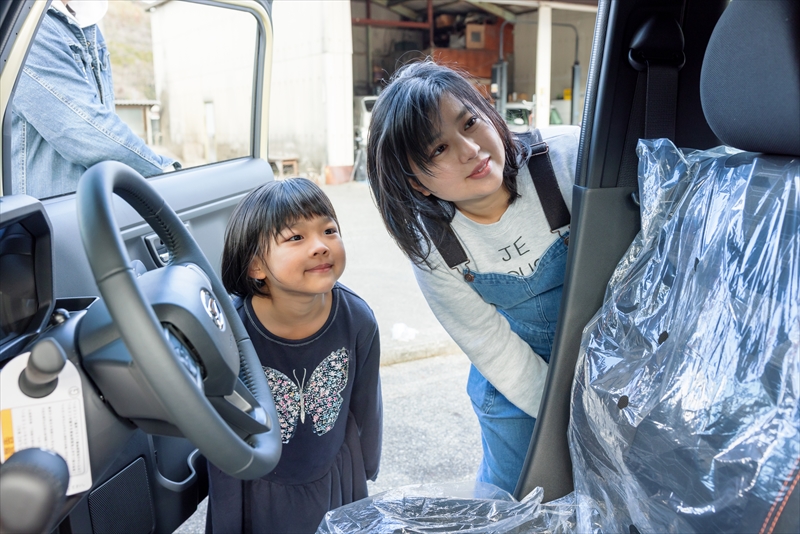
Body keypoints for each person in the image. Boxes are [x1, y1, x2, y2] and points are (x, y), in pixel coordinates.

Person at [366, 60, 579, 494]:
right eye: (438, 150)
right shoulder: (433, 247)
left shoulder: (567, 158)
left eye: (470, 123)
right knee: (517, 498)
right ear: (417, 183)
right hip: (515, 373)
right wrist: (566, 416)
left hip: (604, 350)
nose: (470, 149)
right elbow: (491, 344)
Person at [206, 177, 383, 533]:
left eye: (329, 230)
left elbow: (367, 402)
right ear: (256, 266)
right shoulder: (230, 330)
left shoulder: (357, 319)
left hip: (334, 470)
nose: (320, 246)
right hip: (253, 484)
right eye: (296, 237)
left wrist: (368, 464)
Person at [10, 0, 177, 200]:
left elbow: (103, 114)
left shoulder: (88, 22)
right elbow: (85, 130)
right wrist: (164, 172)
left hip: (94, 204)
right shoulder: (33, 26)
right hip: (51, 216)